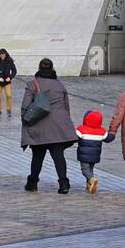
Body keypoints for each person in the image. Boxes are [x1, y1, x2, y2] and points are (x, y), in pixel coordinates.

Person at [20, 58, 77, 193]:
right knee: (58, 156)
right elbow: (66, 107)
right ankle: (64, 184)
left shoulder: (32, 84)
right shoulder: (60, 85)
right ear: (52, 68)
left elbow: (25, 106)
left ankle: (32, 183)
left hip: (39, 125)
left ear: (39, 68)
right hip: (58, 126)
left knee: (37, 157)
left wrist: (26, 121)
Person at [75, 109, 114, 194]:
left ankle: (92, 179)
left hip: (84, 156)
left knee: (85, 170)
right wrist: (112, 132)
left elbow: (73, 137)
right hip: (95, 156)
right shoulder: (101, 131)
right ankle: (89, 185)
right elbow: (109, 139)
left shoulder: (81, 129)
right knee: (90, 169)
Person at [0, 47, 17, 119]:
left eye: (4, 55)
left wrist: (10, 77)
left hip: (7, 81)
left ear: (6, 55)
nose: (2, 56)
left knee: (8, 95)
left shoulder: (10, 61)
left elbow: (14, 71)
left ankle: (9, 110)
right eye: (1, 55)